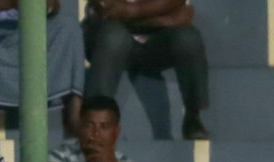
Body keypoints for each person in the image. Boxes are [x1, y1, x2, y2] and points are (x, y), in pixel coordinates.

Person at [0, 0, 84, 136]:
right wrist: (12, 3)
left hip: (28, 32)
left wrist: (47, 5)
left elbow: (54, 5)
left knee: (68, 26)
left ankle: (73, 117)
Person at [83, 0, 209, 140]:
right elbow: (107, 8)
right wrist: (166, 19)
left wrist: (129, 12)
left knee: (188, 39)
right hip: (110, 33)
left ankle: (192, 117)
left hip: (155, 40)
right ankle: (94, 119)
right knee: (114, 37)